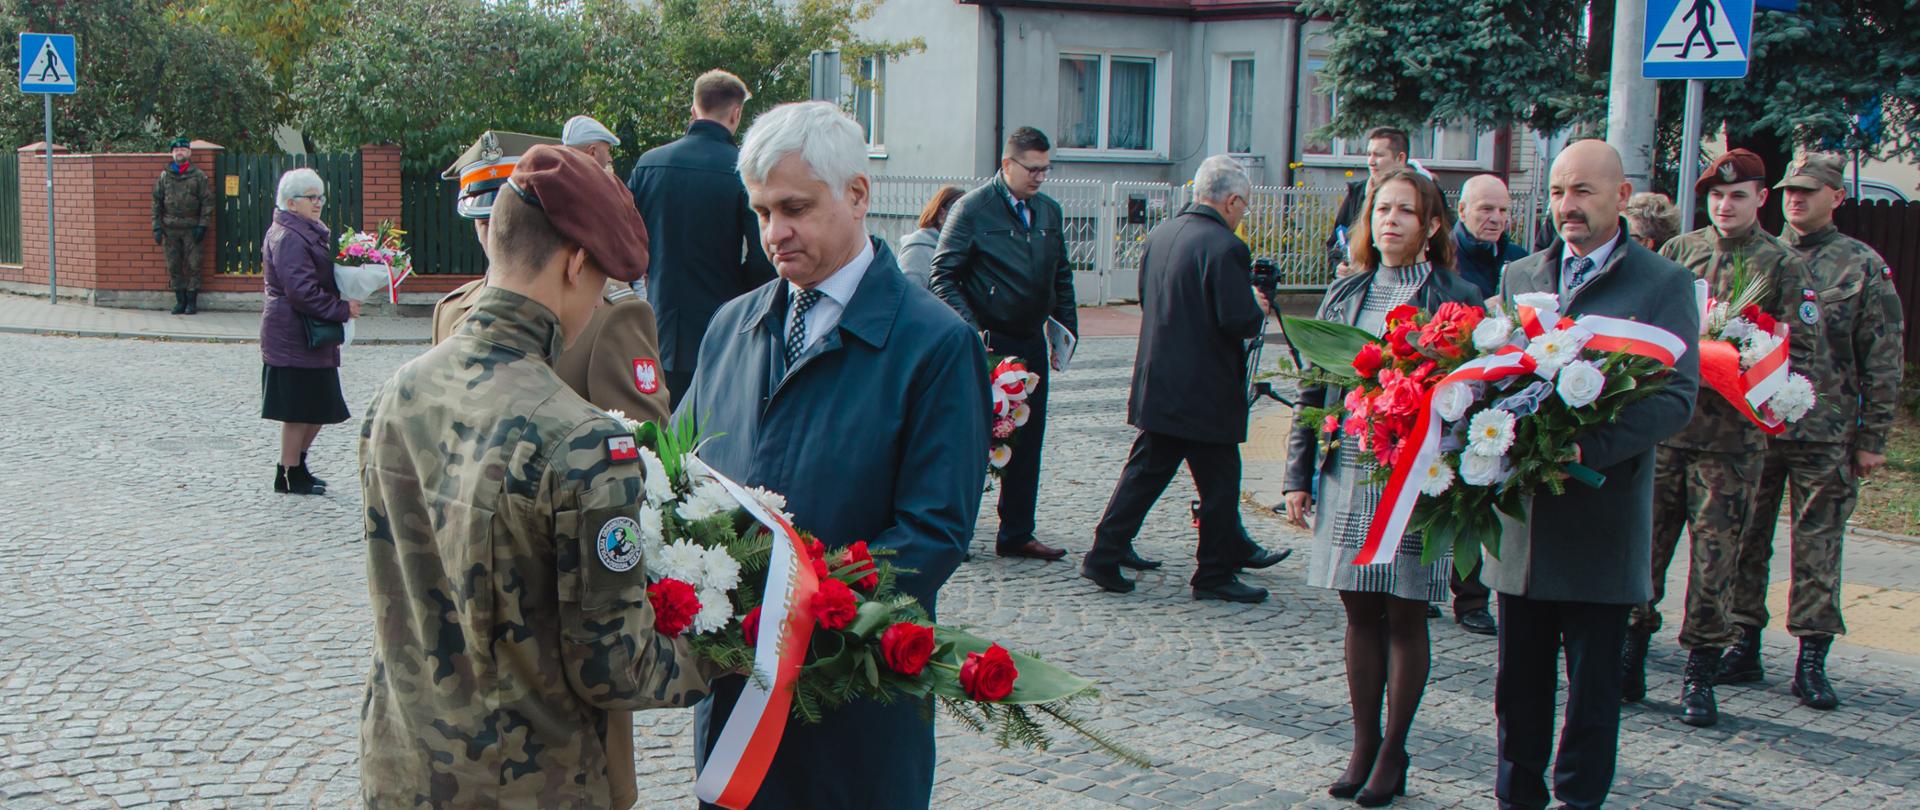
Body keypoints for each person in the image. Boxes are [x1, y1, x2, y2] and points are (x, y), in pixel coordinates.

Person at [357, 145, 716, 806]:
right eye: (603, 277)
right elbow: (613, 666)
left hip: (403, 771)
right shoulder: (585, 442)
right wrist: (736, 645)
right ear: (576, 262)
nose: (602, 296)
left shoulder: (397, 395)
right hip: (526, 783)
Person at [680, 100, 989, 809]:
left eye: (794, 207)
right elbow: (684, 474)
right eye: (760, 212)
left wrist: (804, 612)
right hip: (737, 700)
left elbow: (933, 533)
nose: (774, 233)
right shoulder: (732, 325)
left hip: (856, 702)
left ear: (857, 194)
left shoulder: (936, 345)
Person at [1482, 139, 1700, 810]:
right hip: (1526, 527)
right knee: (1517, 688)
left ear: (1622, 197)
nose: (1566, 207)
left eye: (1582, 192)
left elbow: (1675, 397)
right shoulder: (1521, 276)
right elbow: (1493, 374)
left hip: (1603, 521)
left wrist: (1589, 449)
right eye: (1555, 193)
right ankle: (1517, 797)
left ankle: (1579, 801)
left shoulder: (1663, 284)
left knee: (1594, 691)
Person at [1282, 167, 1482, 807]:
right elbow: (1312, 387)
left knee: (1404, 611)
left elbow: (1474, 392)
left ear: (1430, 227)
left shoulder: (1456, 297)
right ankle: (1363, 742)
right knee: (1357, 607)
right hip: (1350, 468)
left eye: (1405, 211)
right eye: (1382, 209)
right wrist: (1297, 474)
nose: (1390, 220)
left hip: (1417, 476)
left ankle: (1394, 751)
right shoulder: (1345, 294)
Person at [1632, 148, 1817, 728]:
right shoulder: (1679, 253)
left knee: (1715, 563)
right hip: (1667, 433)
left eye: (1738, 195)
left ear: (1761, 198)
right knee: (1644, 551)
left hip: (1731, 446)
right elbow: (1644, 331)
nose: (1725, 204)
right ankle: (1629, 654)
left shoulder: (1782, 264)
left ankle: (1700, 673)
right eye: (1715, 195)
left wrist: (1747, 360)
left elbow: (1800, 354)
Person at [1720, 153, 1905, 709]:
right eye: (1789, 190)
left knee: (1818, 543)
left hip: (1826, 430)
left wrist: (1872, 438)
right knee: (1745, 537)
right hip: (1757, 427)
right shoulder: (1759, 257)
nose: (1795, 199)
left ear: (1836, 197)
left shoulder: (1860, 265)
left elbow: (1884, 355)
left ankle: (1812, 657)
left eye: (1808, 190)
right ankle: (1742, 641)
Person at [1081, 156, 1290, 602]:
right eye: (1244, 206)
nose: (1242, 214)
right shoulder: (1226, 246)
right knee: (1218, 482)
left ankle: (1106, 549)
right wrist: (1258, 305)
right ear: (1232, 200)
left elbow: (1146, 296)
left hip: (1159, 378)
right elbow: (1238, 319)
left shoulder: (1162, 234)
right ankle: (1213, 573)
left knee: (1146, 473)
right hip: (1204, 389)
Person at [434, 130, 672, 424]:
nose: (496, 232)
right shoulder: (450, 309)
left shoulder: (611, 314)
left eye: (503, 215)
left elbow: (644, 450)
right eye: (484, 222)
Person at [930, 125, 1080, 561]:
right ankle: (953, 534)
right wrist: (970, 329)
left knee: (1028, 440)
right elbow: (943, 275)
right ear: (1007, 165)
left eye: (1045, 169)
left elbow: (1061, 276)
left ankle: (1016, 532)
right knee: (975, 442)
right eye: (1032, 169)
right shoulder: (973, 210)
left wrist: (1065, 331)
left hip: (1031, 339)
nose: (1039, 177)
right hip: (989, 343)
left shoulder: (1049, 212)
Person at [627, 69, 776, 406]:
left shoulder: (649, 164)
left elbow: (623, 238)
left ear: (694, 110)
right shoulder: (741, 170)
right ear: (736, 114)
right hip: (721, 329)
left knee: (659, 437)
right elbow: (761, 256)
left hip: (655, 326)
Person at [258, 167, 358, 496]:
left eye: (320, 197)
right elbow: (301, 291)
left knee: (318, 406)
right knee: (298, 410)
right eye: (310, 198)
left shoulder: (306, 230)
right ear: (291, 202)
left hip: (310, 333)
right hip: (293, 333)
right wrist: (342, 310)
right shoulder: (288, 236)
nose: (318, 203)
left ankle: (298, 466)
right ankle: (287, 474)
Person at [1326, 127, 1411, 277]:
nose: (1371, 161)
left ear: (1400, 158)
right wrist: (1338, 266)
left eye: (1379, 155)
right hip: (1357, 287)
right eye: (1369, 154)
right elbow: (1337, 239)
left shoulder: (1421, 195)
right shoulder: (1357, 194)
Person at [152, 136, 212, 315]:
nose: (180, 153)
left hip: (192, 227)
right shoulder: (165, 176)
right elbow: (156, 202)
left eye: (183, 150)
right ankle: (180, 301)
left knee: (194, 265)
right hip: (170, 229)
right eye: (176, 150)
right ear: (172, 153)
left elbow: (207, 202)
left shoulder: (198, 176)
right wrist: (156, 226)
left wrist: (203, 225)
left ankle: (192, 302)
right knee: (174, 266)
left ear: (189, 152)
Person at [1451, 174, 1528, 299]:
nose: (1496, 218)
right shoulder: (1440, 258)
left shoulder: (1519, 258)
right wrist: (1482, 311)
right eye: (1486, 209)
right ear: (1462, 211)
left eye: (1502, 210)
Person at [897, 185, 963, 289]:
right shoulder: (918, 250)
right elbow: (910, 294)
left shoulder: (958, 250)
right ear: (942, 214)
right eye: (961, 218)